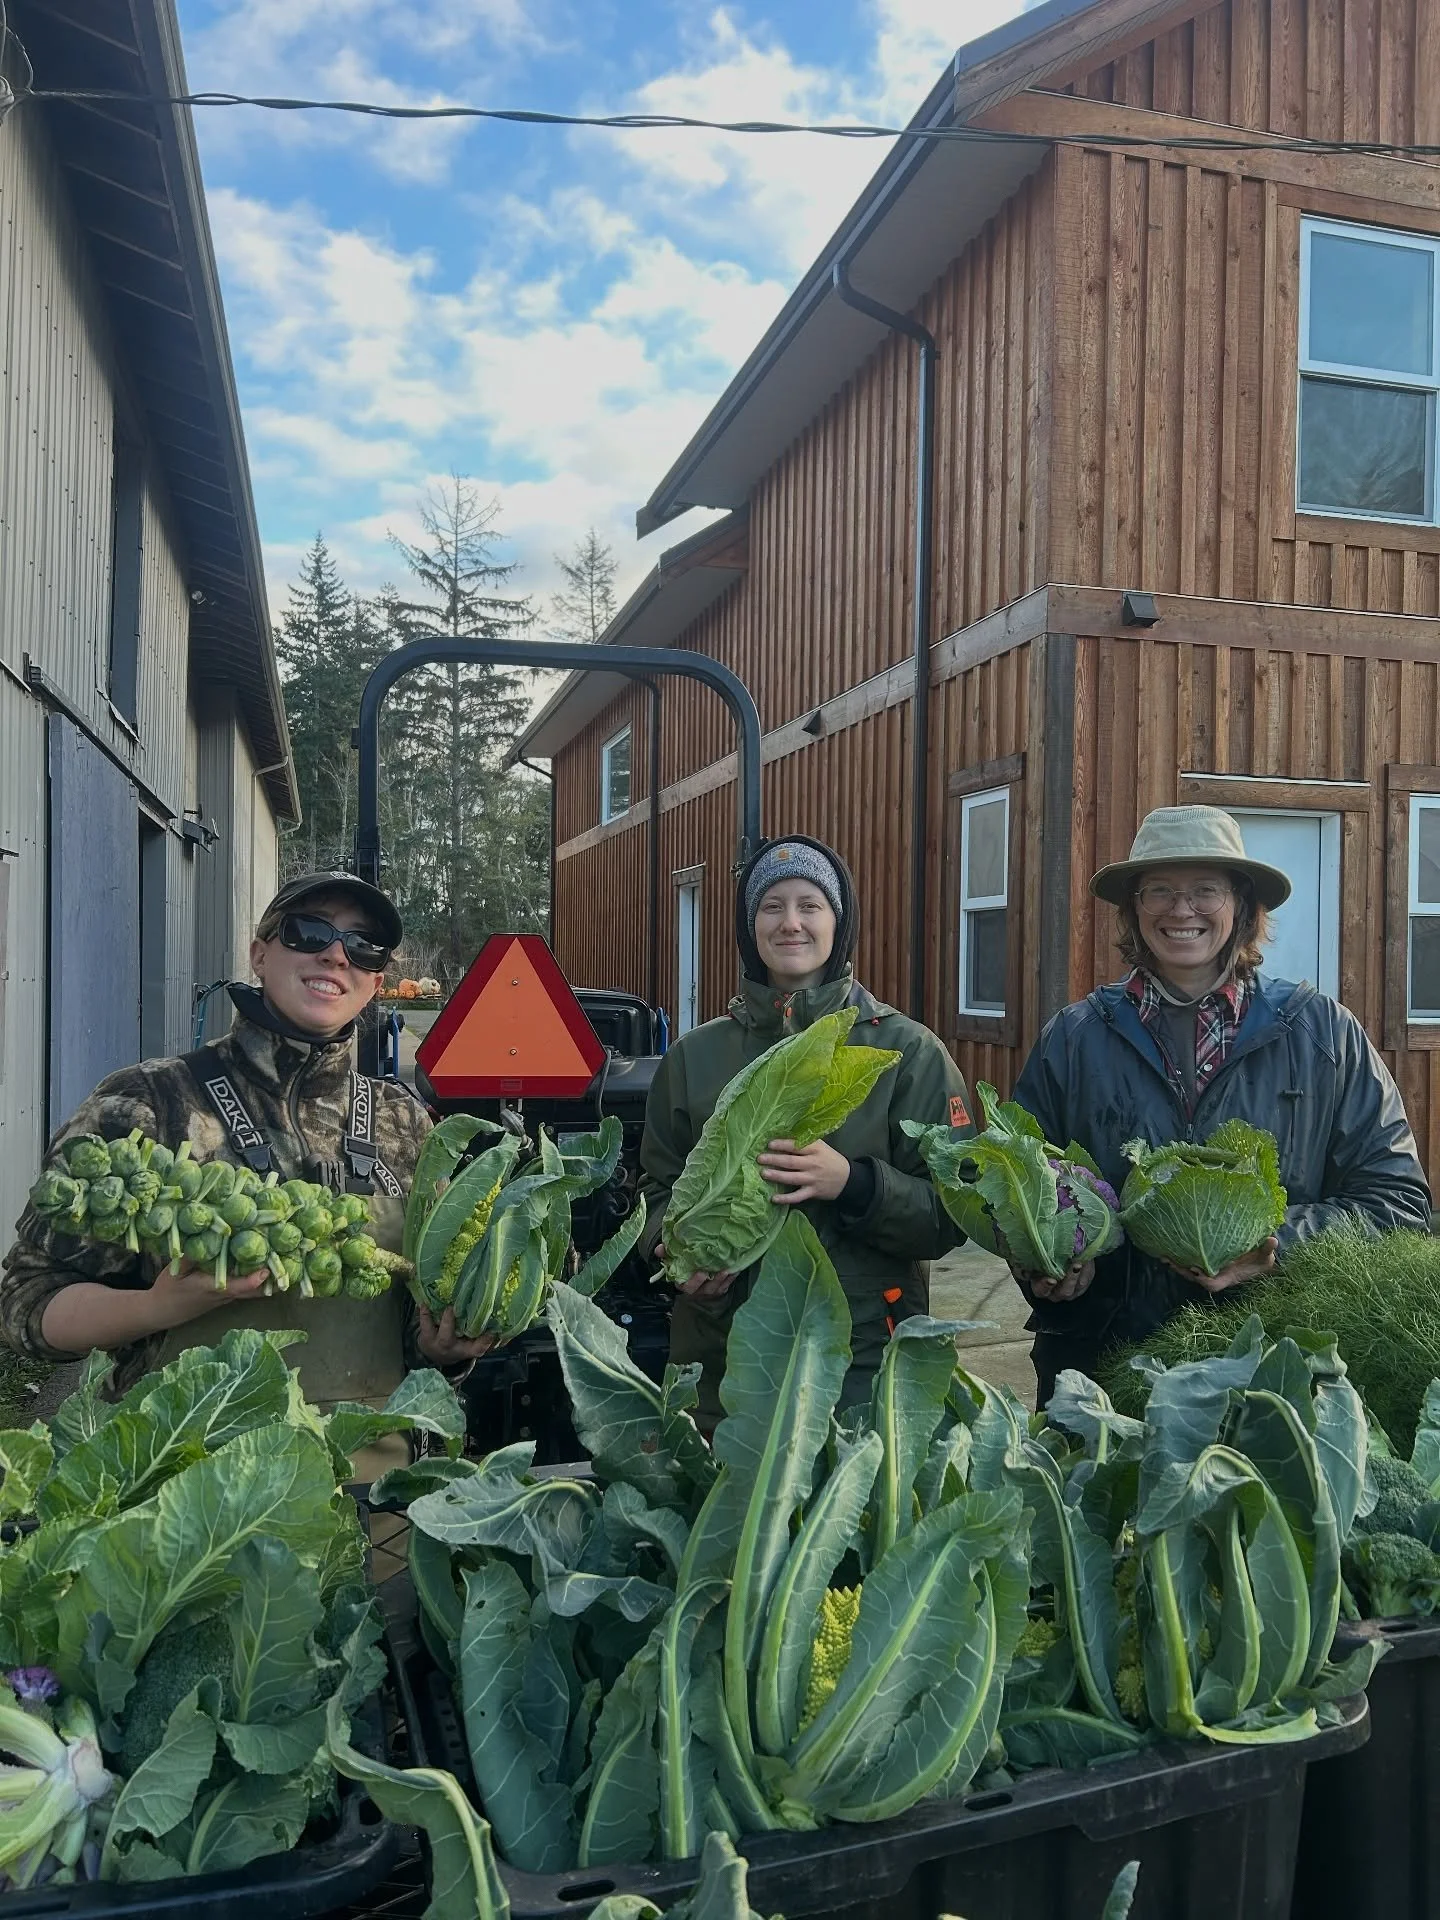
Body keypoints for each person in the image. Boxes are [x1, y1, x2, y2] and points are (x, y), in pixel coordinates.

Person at [0, 871, 491, 1410]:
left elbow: (413, 1326)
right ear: (260, 955)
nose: (336, 955)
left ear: (375, 983)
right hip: (186, 1475)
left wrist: (439, 1347)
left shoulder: (403, 1122)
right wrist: (159, 1307)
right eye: (309, 932)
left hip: (370, 1481)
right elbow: (25, 1305)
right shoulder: (147, 1102)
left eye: (364, 946)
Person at [1010, 806, 1432, 1402]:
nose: (1181, 910)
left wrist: (1275, 1244)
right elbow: (1023, 1184)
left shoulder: (1324, 1034)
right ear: (1134, 907)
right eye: (1159, 890)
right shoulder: (1073, 1039)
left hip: (1278, 1371)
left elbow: (1397, 1201)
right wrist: (1050, 1266)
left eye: (1206, 889)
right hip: (1106, 1370)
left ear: (1241, 906)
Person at [640, 835, 976, 1428]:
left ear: (837, 921)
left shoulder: (908, 1053)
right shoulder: (695, 1057)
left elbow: (956, 1212)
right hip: (725, 1358)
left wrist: (854, 1184)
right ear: (749, 927)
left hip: (864, 1352)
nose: (790, 923)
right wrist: (671, 1252)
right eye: (772, 906)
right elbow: (654, 1188)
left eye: (810, 904)